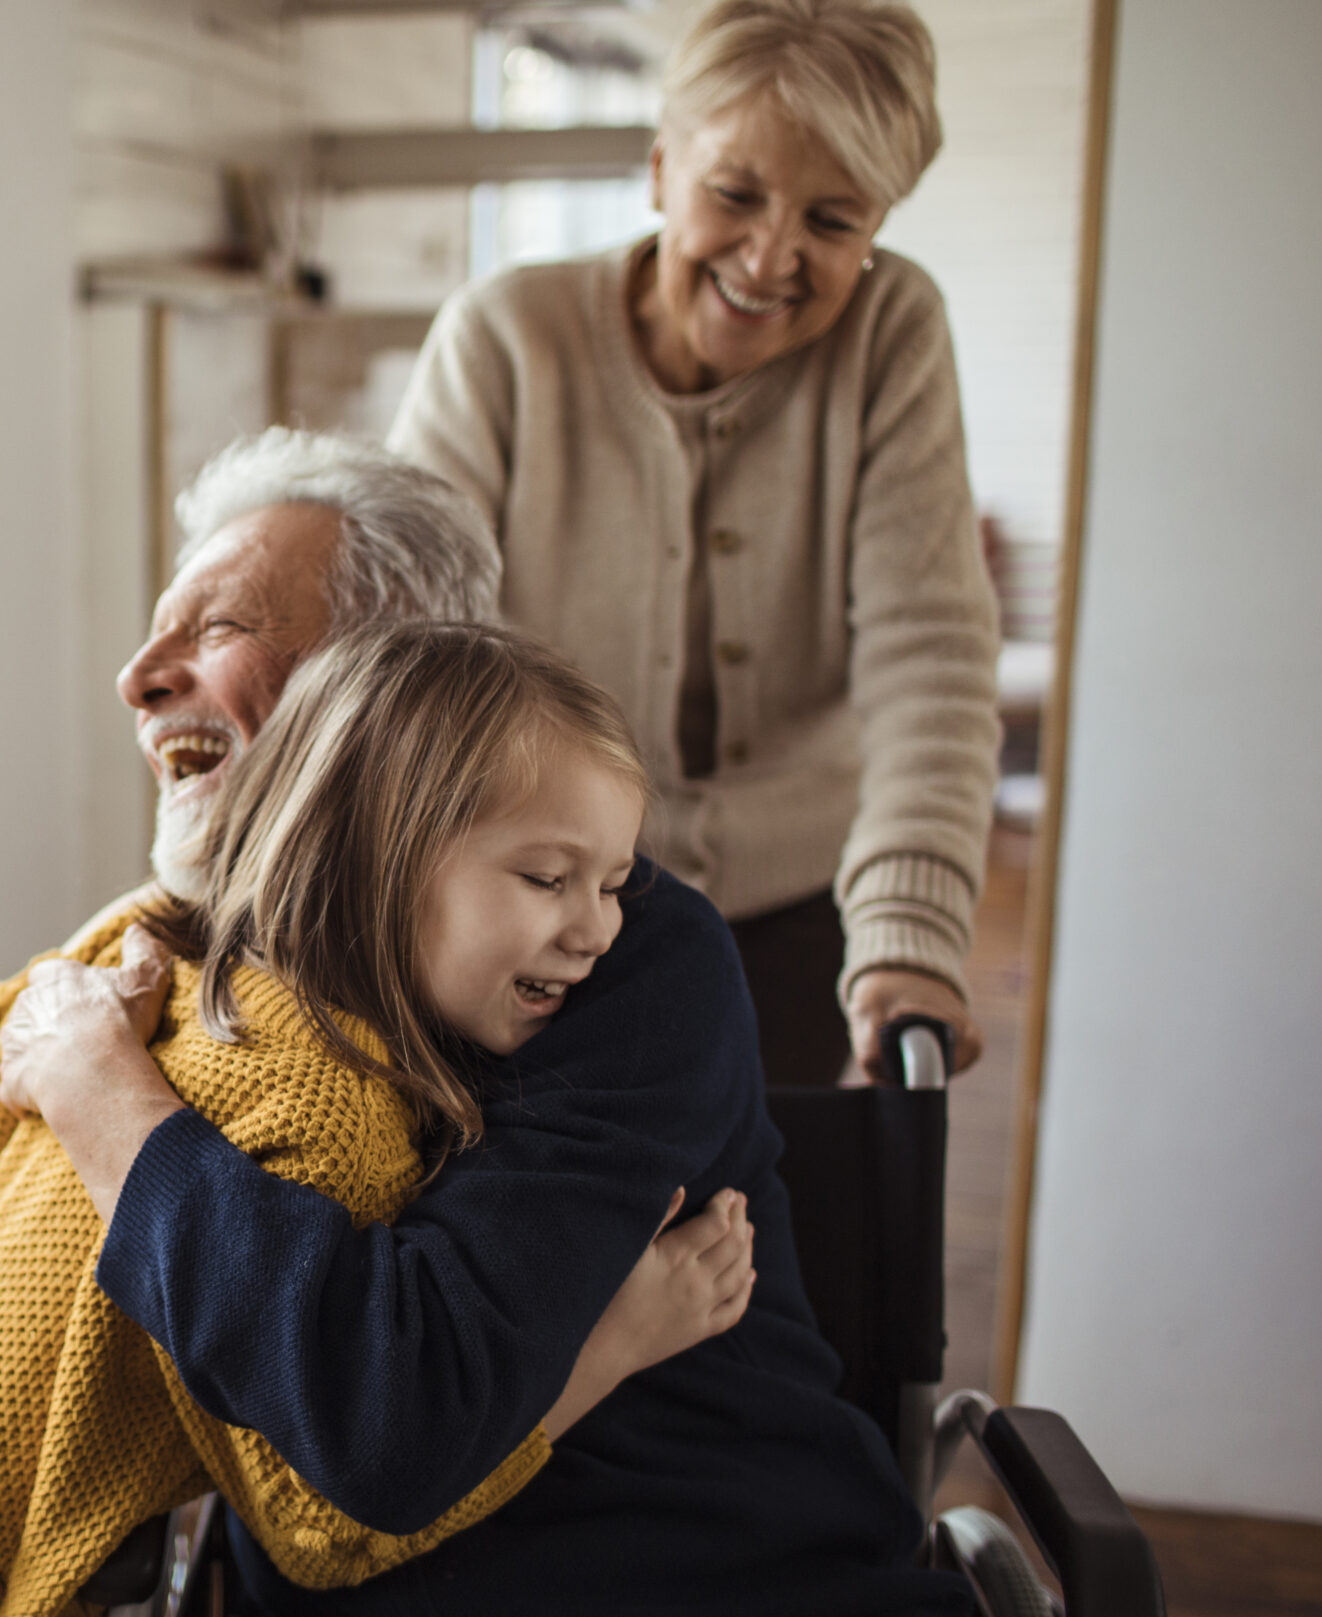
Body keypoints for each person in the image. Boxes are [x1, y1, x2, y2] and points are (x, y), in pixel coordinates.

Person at [0, 431, 968, 1617]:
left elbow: (389, 1419)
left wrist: (104, 1092)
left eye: (213, 625)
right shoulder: (191, 958)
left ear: (389, 693)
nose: (136, 676)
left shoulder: (620, 964)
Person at [0, 624, 756, 1617]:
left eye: (610, 884)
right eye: (547, 878)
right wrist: (605, 1347)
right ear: (380, 846)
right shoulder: (322, 1111)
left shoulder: (168, 983)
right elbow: (321, 1528)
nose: (599, 931)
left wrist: (104, 961)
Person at [388, 0, 1002, 1087]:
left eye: (832, 220)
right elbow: (403, 645)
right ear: (662, 169)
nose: (772, 258)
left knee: (774, 1233)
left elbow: (930, 659)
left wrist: (908, 938)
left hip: (798, 909)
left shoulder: (892, 333)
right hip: (536, 906)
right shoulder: (504, 337)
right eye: (734, 195)